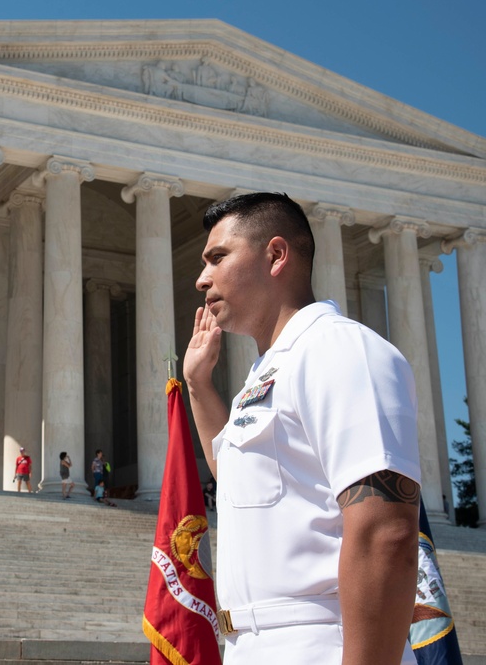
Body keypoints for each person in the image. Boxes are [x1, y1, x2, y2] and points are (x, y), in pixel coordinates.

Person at [182, 192, 421, 665]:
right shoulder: (268, 372)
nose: (201, 278)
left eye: (217, 257)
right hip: (251, 644)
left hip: (318, 642)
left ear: (275, 255)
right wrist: (197, 385)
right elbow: (237, 479)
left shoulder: (340, 350)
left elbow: (385, 532)